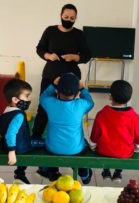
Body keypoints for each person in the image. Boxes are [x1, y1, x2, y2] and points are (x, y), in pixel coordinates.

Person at [33, 3, 91, 145]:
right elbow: (39, 48)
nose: (68, 20)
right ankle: (35, 137)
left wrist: (74, 57)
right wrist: (48, 55)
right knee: (43, 108)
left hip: (71, 79)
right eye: (66, 17)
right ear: (60, 15)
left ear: (75, 19)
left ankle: (71, 141)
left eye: (72, 18)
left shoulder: (79, 34)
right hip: (50, 76)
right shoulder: (50, 31)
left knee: (70, 110)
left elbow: (87, 55)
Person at [40, 72, 94, 184]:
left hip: (52, 148)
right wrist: (83, 88)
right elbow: (90, 102)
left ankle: (52, 171)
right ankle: (84, 173)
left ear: (57, 91)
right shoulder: (81, 105)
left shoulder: (50, 103)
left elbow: (43, 97)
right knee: (84, 144)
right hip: (75, 150)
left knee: (48, 144)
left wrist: (53, 85)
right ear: (77, 93)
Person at [90, 80, 139, 183]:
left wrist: (92, 146)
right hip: (125, 153)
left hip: (104, 151)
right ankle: (118, 172)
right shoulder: (134, 117)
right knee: (123, 148)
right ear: (129, 98)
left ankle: (106, 171)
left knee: (102, 146)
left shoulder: (101, 114)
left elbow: (94, 137)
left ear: (110, 96)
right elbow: (138, 139)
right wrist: (138, 147)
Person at [0, 79, 37, 184]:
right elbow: (10, 133)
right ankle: (44, 170)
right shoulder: (18, 115)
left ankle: (20, 173)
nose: (29, 99)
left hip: (9, 145)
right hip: (18, 147)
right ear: (15, 99)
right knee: (43, 143)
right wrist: (12, 151)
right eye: (27, 96)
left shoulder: (6, 110)